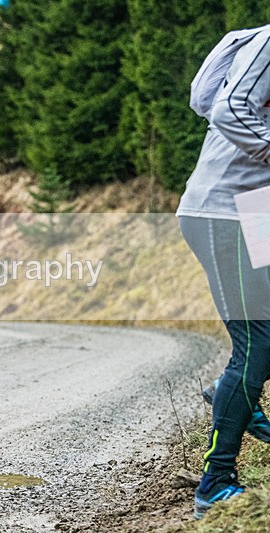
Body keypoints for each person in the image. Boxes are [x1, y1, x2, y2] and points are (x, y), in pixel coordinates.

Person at [176, 26, 270, 519]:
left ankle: (237, 395)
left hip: (254, 207)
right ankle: (216, 480)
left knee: (262, 341)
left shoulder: (245, 38)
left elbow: (202, 97)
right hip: (225, 211)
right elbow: (225, 108)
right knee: (257, 341)